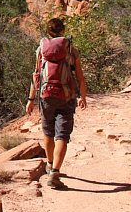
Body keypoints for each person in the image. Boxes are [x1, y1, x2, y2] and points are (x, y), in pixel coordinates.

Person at [26, 17, 87, 188]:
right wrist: (82, 96)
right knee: (62, 135)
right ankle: (55, 173)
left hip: (46, 97)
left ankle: (50, 164)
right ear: (63, 32)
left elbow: (36, 75)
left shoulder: (41, 50)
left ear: (48, 32)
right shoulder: (71, 50)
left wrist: (30, 99)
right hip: (66, 97)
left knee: (48, 132)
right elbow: (79, 77)